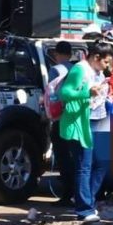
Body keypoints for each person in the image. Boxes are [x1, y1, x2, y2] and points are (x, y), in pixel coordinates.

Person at [59, 42, 113, 222]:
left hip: (100, 119)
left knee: (102, 163)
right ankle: (84, 209)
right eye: (106, 62)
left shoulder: (98, 72)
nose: (108, 66)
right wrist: (86, 93)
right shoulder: (80, 69)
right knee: (84, 165)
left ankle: (86, 200)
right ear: (96, 58)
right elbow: (65, 93)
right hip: (83, 122)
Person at [48, 41, 75, 205]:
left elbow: (52, 94)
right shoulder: (76, 69)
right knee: (74, 157)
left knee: (63, 157)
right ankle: (74, 193)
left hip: (60, 118)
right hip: (74, 117)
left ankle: (66, 195)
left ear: (56, 54)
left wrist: (48, 113)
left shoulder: (55, 70)